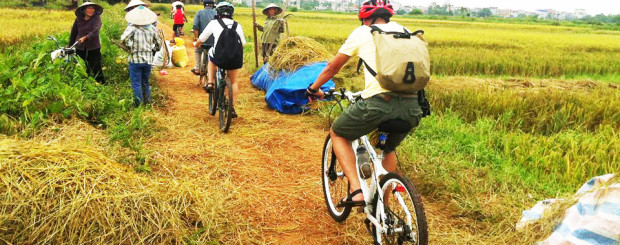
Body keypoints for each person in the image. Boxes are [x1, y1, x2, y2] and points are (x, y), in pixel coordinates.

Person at [306, 0, 423, 207]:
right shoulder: (405, 31)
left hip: (379, 102)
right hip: (413, 105)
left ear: (364, 17)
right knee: (387, 149)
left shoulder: (363, 32)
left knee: (338, 133)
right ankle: (383, 207)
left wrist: (314, 89)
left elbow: (332, 68)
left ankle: (356, 190)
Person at [195, 1, 245, 118]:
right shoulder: (237, 25)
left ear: (218, 11)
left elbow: (202, 38)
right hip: (234, 57)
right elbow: (243, 43)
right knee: (233, 81)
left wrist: (196, 44)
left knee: (210, 56)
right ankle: (231, 108)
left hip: (218, 56)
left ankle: (211, 82)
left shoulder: (214, 23)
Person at [121, 6, 162, 106]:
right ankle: (147, 103)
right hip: (148, 60)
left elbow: (123, 39)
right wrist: (153, 49)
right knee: (145, 82)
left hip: (135, 59)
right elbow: (159, 44)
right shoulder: (152, 28)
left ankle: (139, 105)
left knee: (136, 84)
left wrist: (131, 46)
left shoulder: (132, 27)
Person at [70, 1, 105, 84]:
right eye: (89, 8)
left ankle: (101, 83)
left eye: (93, 8)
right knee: (82, 66)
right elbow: (74, 32)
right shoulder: (78, 19)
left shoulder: (96, 18)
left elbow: (95, 31)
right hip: (80, 47)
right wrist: (70, 45)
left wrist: (86, 37)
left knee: (96, 66)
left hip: (93, 47)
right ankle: (85, 84)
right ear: (84, 10)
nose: (92, 10)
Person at [191, 0, 217, 76]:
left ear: (204, 5)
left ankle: (198, 68)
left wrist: (196, 38)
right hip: (214, 41)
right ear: (213, 5)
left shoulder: (199, 12)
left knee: (197, 50)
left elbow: (195, 27)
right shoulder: (217, 13)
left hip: (202, 40)